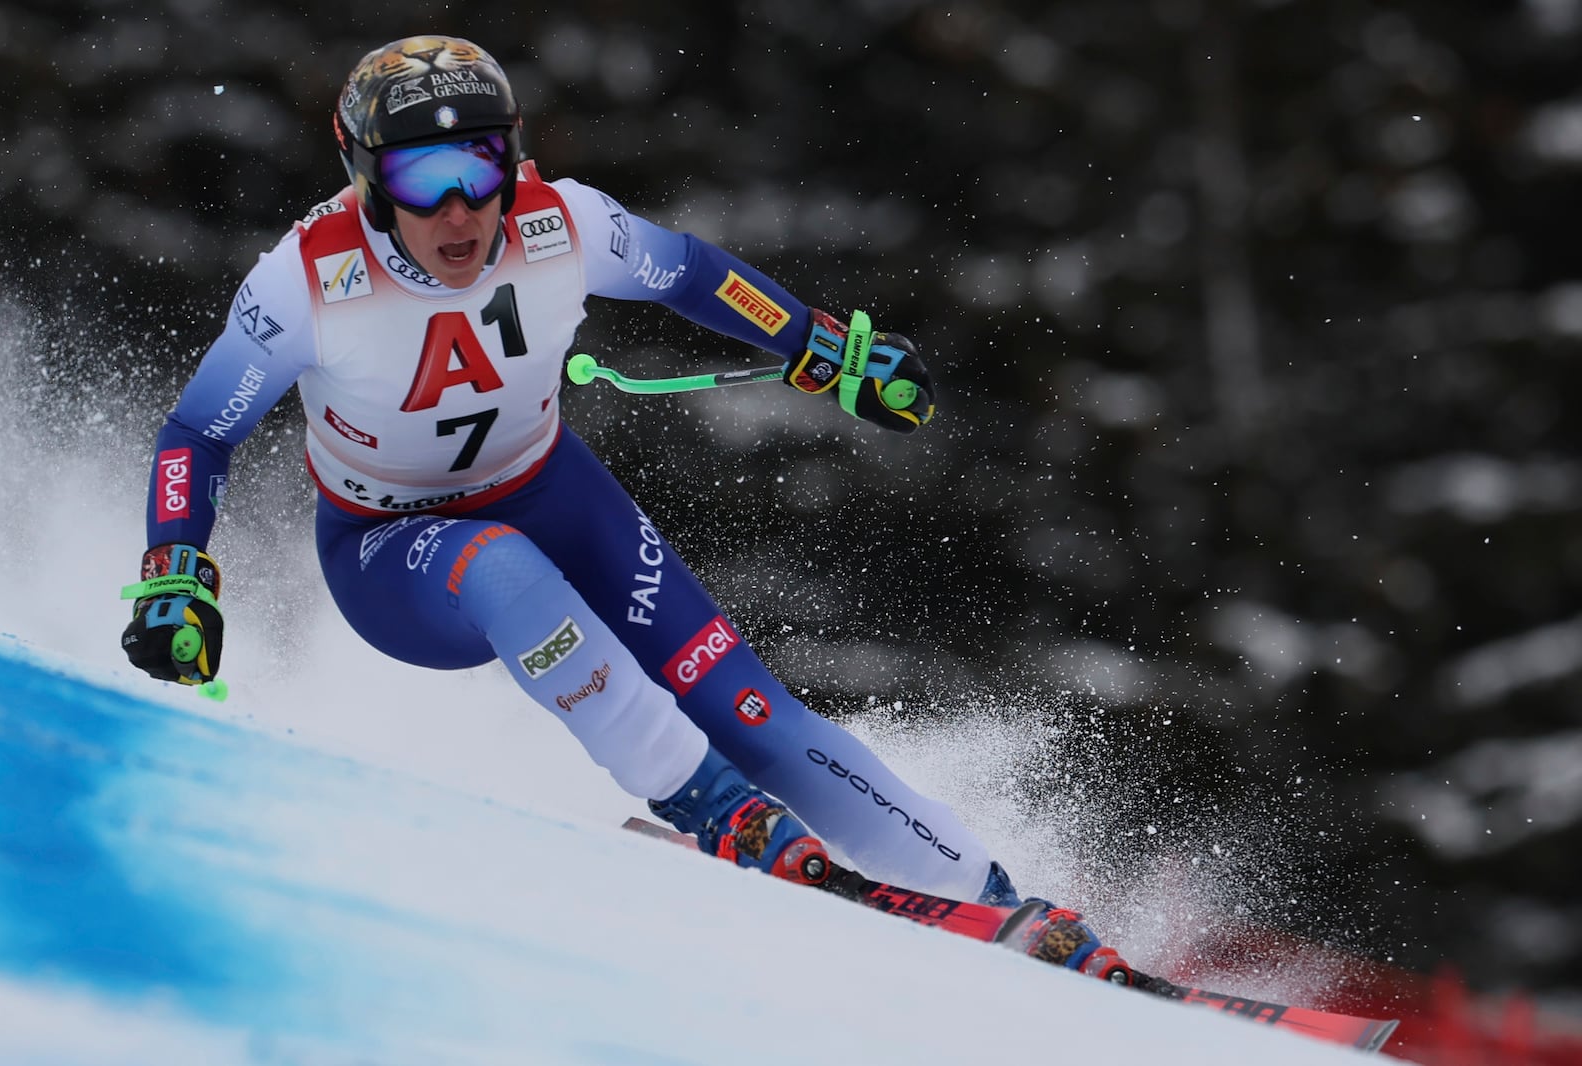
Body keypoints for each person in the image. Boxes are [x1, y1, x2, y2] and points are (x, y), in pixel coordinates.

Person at [119, 35, 1130, 982]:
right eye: (423, 180)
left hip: (551, 493)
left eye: (480, 163)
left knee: (753, 713)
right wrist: (176, 569)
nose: (462, 210)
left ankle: (998, 903)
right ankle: (715, 812)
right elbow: (199, 433)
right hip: (391, 551)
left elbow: (692, 275)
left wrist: (822, 351)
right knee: (500, 569)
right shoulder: (305, 280)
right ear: (365, 177)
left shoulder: (560, 220)